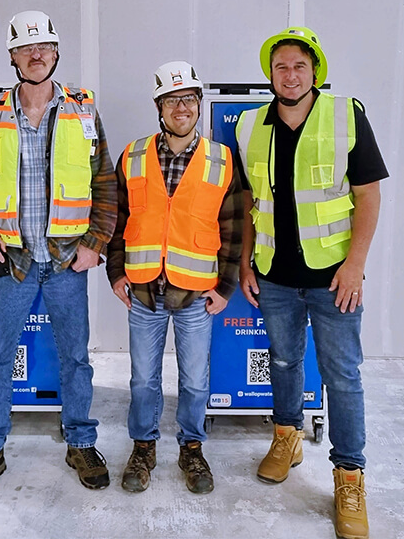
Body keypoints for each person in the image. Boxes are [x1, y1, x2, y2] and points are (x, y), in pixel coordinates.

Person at [0, 10, 120, 501]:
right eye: (27, 49)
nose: (37, 55)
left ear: (57, 53)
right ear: (12, 57)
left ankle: (81, 442)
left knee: (75, 358)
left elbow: (105, 182)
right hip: (11, 261)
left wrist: (96, 243)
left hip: (67, 260)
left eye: (45, 47)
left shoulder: (83, 110)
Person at [235, 27, 387, 539]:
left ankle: (349, 475)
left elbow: (368, 194)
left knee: (342, 375)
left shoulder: (346, 115)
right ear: (270, 75)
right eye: (281, 67)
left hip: (333, 278)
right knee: (282, 361)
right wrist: (244, 262)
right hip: (275, 274)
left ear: (315, 71)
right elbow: (252, 203)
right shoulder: (250, 124)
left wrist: (355, 264)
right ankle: (287, 437)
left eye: (300, 65)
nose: (290, 74)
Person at [106, 61, 245, 495]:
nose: (181, 107)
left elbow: (235, 225)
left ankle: (191, 447)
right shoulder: (132, 156)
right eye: (171, 99)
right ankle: (143, 446)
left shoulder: (221, 160)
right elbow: (116, 218)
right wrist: (115, 272)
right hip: (144, 292)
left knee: (195, 379)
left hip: (197, 295)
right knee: (143, 379)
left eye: (188, 99)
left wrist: (224, 287)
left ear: (200, 104)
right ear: (159, 107)